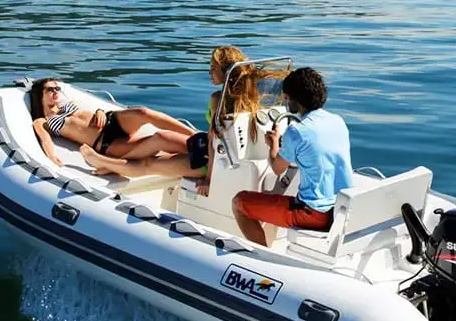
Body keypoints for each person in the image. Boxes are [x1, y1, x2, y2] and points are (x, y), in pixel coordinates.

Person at [79, 46, 260, 185]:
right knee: (160, 137)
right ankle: (116, 162)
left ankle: (105, 163)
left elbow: (215, 144)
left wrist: (209, 178)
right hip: (213, 150)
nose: (209, 73)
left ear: (226, 72)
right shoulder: (251, 99)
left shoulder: (217, 100)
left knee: (149, 164)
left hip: (212, 162)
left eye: (214, 68)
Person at [231, 67, 353, 247]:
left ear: (296, 99)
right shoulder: (338, 121)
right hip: (341, 208)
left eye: (286, 98)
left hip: (313, 214)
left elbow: (277, 168)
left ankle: (263, 257)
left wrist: (273, 145)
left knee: (239, 202)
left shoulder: (296, 131)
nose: (286, 102)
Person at [30, 78, 195, 167]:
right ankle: (199, 154)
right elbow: (45, 139)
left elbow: (85, 113)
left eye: (57, 88)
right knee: (159, 139)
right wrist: (51, 158)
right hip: (105, 142)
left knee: (143, 112)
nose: (55, 92)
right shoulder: (42, 121)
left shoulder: (65, 104)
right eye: (50, 89)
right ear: (40, 95)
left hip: (112, 120)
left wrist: (100, 112)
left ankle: (195, 135)